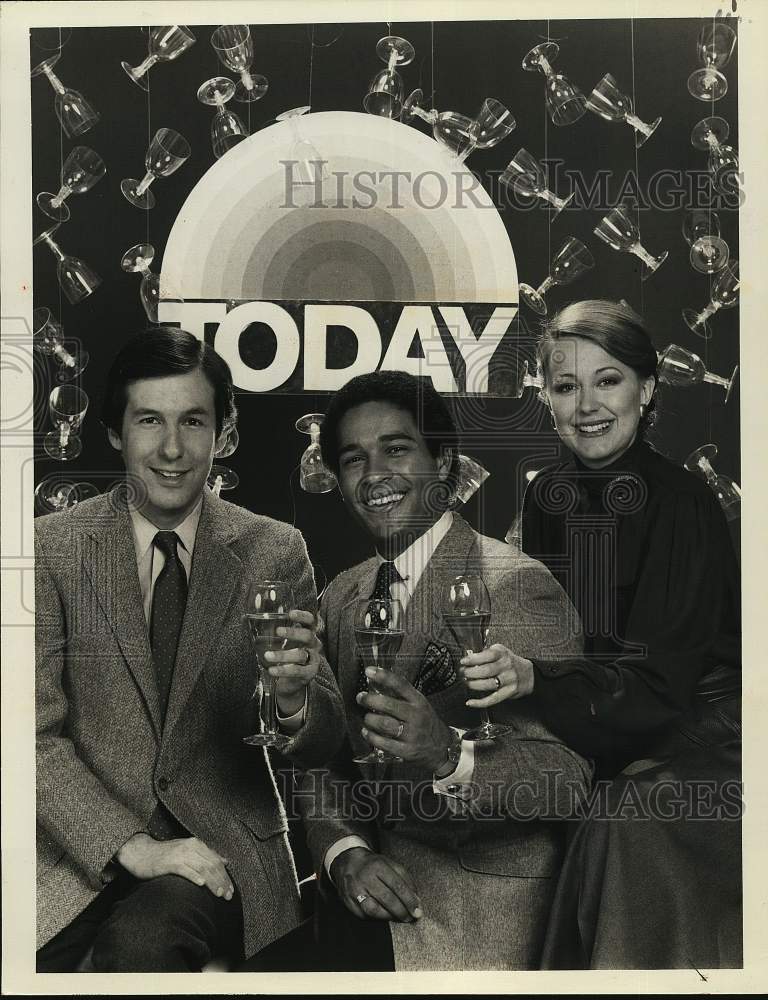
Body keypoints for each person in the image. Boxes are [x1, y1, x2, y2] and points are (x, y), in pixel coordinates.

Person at [35, 327, 345, 972]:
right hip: (74, 851)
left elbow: (323, 743)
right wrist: (131, 844)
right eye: (150, 420)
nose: (173, 448)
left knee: (137, 948)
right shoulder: (49, 549)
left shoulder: (275, 550)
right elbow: (28, 734)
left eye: (193, 421)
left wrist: (294, 702)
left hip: (224, 851)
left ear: (223, 434)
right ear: (115, 432)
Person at [462, 300, 742, 969]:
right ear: (547, 400)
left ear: (646, 389)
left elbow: (660, 687)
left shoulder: (682, 501)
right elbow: (551, 636)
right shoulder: (546, 497)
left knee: (622, 818)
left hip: (702, 732)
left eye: (608, 380)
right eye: (566, 386)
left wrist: (535, 678)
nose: (587, 405)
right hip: (592, 718)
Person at [294, 370, 592, 971]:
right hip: (360, 908)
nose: (374, 475)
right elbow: (324, 763)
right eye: (353, 459)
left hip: (476, 920)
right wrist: (344, 852)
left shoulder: (516, 584)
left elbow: (569, 781)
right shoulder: (342, 595)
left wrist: (448, 754)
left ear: (445, 462)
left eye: (396, 449)